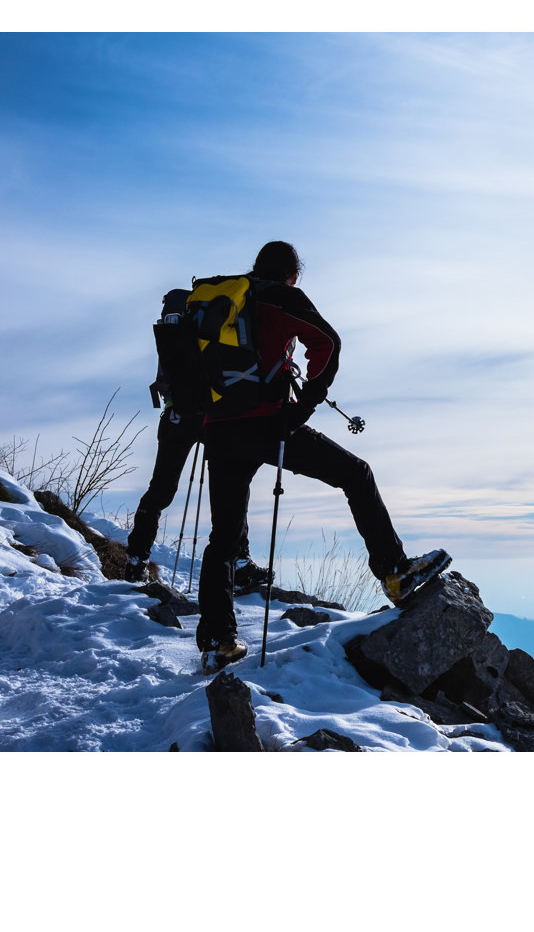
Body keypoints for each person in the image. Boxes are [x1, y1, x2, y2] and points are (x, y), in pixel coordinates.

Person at [195, 241, 449, 669]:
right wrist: (300, 411)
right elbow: (327, 343)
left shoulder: (223, 298)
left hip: (218, 428)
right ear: (293, 273)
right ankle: (394, 574)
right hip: (267, 423)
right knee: (356, 473)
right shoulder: (281, 295)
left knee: (222, 538)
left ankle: (218, 641)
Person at [125, 290, 268, 591]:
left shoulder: (172, 332)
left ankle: (136, 558)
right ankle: (239, 562)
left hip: (175, 415)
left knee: (160, 490)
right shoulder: (212, 327)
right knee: (231, 486)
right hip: (210, 415)